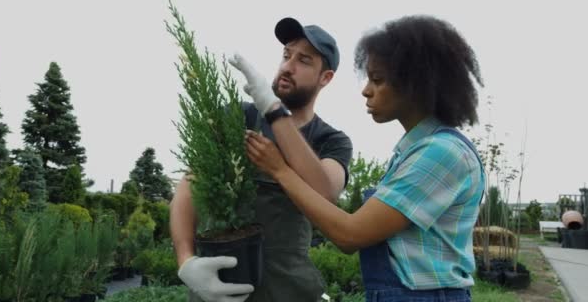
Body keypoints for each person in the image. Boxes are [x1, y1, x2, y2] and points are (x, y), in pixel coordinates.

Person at [243, 15, 486, 302]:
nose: (366, 90)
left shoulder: (442, 154)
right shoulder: (414, 151)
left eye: (378, 79)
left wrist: (280, 170)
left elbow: (350, 235)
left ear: (417, 83)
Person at [170, 17, 353, 302]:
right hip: (221, 287)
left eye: (304, 60)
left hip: (289, 289)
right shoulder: (239, 117)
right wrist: (186, 261)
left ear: (325, 77)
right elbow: (190, 186)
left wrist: (273, 109)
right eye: (286, 55)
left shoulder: (330, 140)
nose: (288, 67)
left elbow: (326, 191)